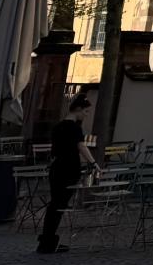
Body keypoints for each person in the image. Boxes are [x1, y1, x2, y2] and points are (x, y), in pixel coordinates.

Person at [35, 93, 93, 255]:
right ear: (78, 109)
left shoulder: (58, 126)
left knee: (55, 204)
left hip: (56, 168)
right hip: (68, 169)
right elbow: (81, 146)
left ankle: (47, 240)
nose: (86, 115)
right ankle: (48, 243)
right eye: (86, 112)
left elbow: (55, 150)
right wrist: (93, 163)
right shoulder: (74, 127)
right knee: (59, 205)